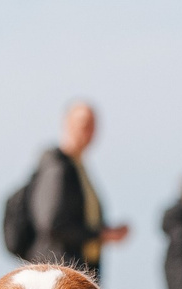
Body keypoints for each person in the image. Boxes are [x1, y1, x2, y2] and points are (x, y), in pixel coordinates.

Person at [26, 100, 129, 278]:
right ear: (67, 125)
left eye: (93, 125)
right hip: (58, 273)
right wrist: (100, 234)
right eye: (84, 124)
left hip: (80, 271)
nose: (89, 131)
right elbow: (53, 224)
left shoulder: (79, 166)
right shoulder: (58, 167)